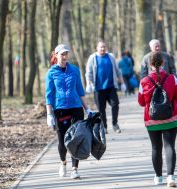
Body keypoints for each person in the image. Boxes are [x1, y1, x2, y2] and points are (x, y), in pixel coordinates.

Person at [45, 44, 93, 179]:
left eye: (66, 54)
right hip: (60, 109)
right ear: (56, 55)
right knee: (62, 141)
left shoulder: (75, 70)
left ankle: (74, 169)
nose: (65, 56)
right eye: (62, 54)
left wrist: (87, 108)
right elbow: (49, 95)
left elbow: (80, 91)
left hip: (76, 108)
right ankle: (63, 163)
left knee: (76, 138)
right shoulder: (51, 72)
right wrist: (49, 114)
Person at [138, 52, 177, 187]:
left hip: (152, 120)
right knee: (170, 146)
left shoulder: (144, 81)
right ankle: (171, 177)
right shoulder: (172, 79)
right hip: (171, 118)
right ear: (163, 63)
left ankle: (158, 177)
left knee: (155, 147)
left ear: (150, 64)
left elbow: (141, 102)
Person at [141, 39, 177, 126]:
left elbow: (173, 69)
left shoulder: (166, 56)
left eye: (159, 45)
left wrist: (176, 80)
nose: (158, 48)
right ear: (151, 48)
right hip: (153, 85)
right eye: (156, 46)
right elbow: (143, 74)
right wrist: (144, 86)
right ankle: (154, 117)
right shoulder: (146, 58)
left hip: (167, 83)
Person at [85, 40, 126, 134]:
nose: (103, 48)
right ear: (97, 48)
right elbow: (89, 73)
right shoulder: (93, 58)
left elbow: (117, 71)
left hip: (111, 87)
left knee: (115, 104)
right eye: (101, 47)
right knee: (101, 109)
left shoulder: (110, 57)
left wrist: (122, 83)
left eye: (104, 46)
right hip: (98, 89)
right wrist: (89, 84)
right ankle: (104, 127)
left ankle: (115, 124)